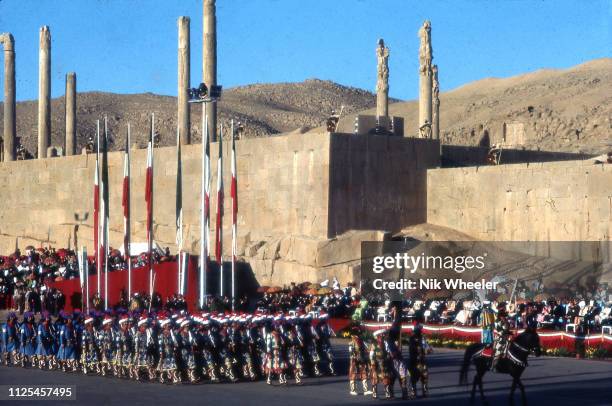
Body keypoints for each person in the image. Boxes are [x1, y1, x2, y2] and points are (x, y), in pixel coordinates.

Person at [347, 325, 371, 396]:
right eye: (358, 332)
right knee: (353, 373)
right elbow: (351, 352)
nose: (359, 334)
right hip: (354, 359)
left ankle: (365, 390)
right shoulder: (352, 342)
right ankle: (352, 390)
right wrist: (354, 357)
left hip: (362, 359)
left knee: (363, 372)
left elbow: (367, 348)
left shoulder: (361, 341)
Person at [369, 329, 392, 399]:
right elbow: (371, 355)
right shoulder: (373, 345)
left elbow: (388, 352)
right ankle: (374, 393)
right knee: (375, 378)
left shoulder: (386, 343)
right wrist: (372, 364)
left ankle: (387, 393)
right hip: (376, 363)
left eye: (383, 334)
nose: (383, 335)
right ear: (377, 336)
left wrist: (388, 357)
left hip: (384, 363)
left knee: (386, 378)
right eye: (381, 335)